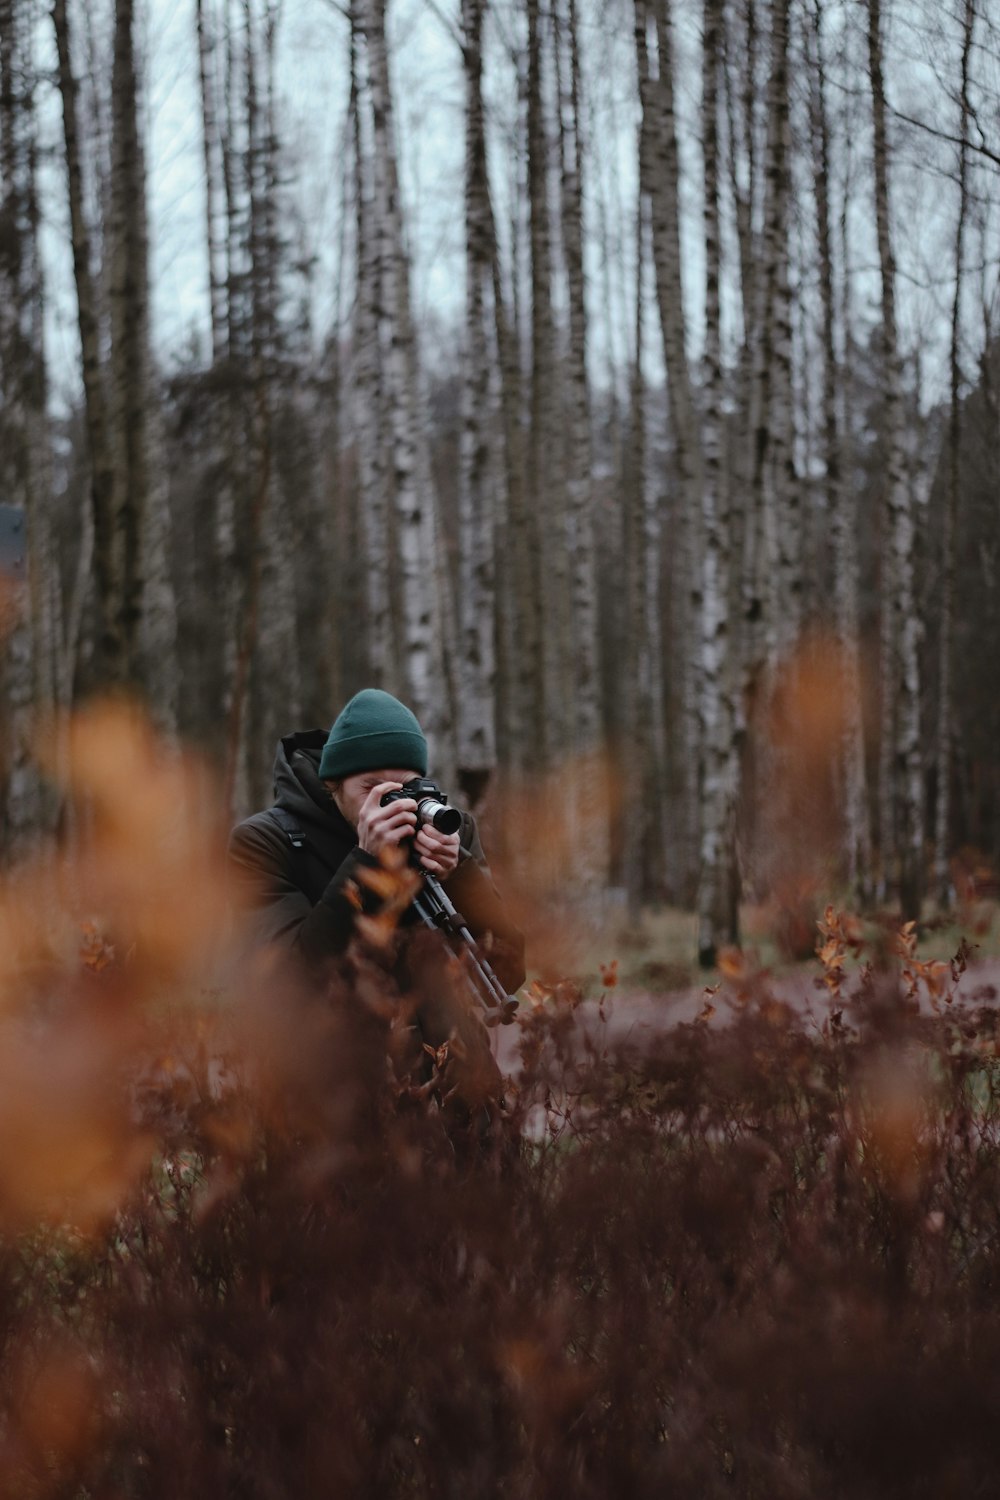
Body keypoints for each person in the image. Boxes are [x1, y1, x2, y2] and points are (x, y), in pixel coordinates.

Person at [228, 689, 525, 1122]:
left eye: (404, 786)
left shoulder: (448, 829)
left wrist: (457, 874)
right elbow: (289, 984)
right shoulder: (265, 842)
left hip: (458, 1089)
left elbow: (507, 970)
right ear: (333, 786)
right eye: (371, 787)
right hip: (331, 1104)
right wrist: (364, 867)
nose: (392, 802)